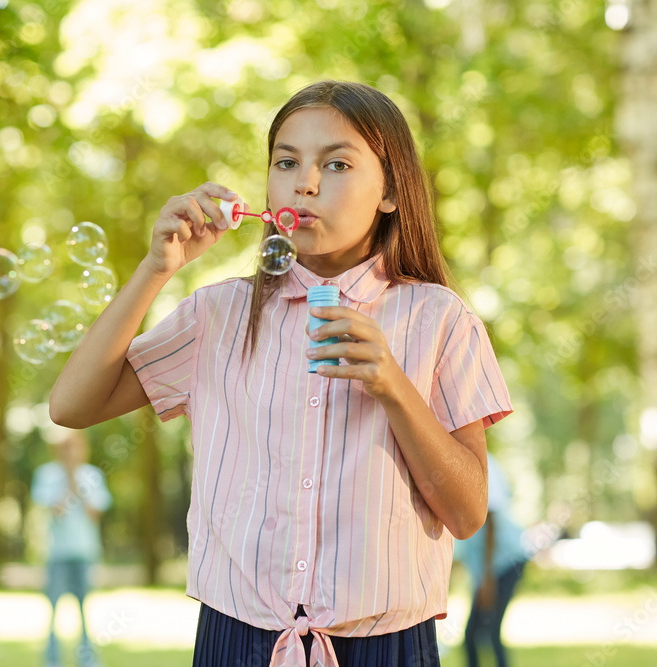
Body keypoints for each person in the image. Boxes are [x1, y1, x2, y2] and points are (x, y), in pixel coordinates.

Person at [49, 80, 513, 667]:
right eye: (286, 161)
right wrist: (155, 269)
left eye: (337, 163)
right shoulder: (219, 314)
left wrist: (394, 386)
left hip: (387, 645)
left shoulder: (440, 320)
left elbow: (469, 513)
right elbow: (71, 405)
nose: (306, 181)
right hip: (236, 636)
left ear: (392, 191)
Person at [31, 427, 112, 667]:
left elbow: (94, 513)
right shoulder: (45, 475)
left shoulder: (93, 475)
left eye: (73, 446)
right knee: (53, 610)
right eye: (65, 447)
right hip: (57, 553)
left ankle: (87, 659)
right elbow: (58, 511)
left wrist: (74, 476)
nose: (69, 452)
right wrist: (67, 475)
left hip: (85, 553)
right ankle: (52, 659)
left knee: (84, 610)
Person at [454, 452, 527, 667]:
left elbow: (492, 521)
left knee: (488, 633)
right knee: (473, 636)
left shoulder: (481, 460)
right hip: (489, 568)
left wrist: (487, 578)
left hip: (504, 564)